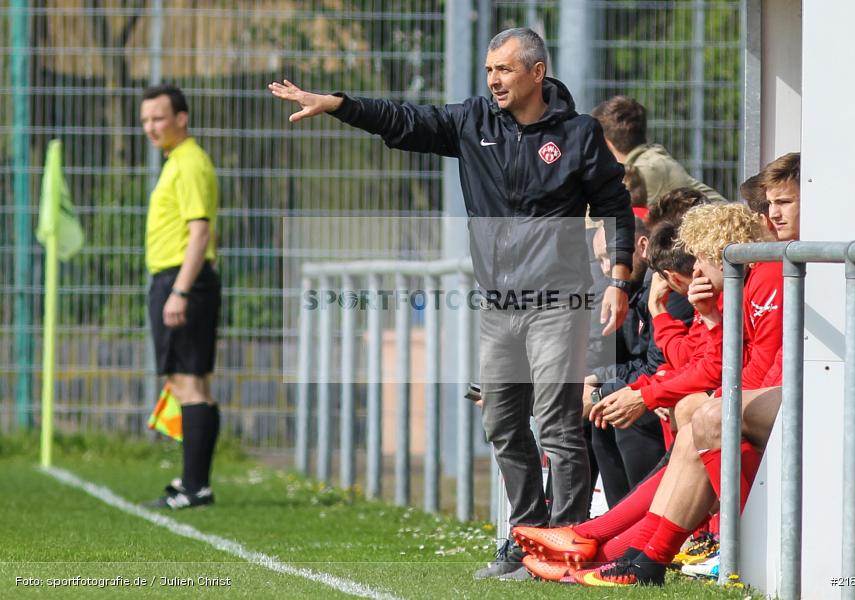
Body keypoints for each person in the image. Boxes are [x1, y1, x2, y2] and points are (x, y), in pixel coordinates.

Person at [269, 27, 635, 580]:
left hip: (560, 301)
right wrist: (337, 105)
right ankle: (525, 535)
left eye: (505, 70)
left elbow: (615, 204)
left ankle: (563, 546)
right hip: (499, 306)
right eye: (489, 70)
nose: (493, 81)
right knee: (503, 423)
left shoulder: (579, 134)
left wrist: (619, 279)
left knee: (558, 426)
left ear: (537, 72)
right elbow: (404, 119)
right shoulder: (472, 122)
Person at [513, 190, 796, 586]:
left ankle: (627, 546)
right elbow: (701, 361)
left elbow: (728, 368)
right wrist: (705, 322)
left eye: (700, 257)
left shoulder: (763, 276)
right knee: (691, 414)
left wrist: (649, 383)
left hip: (792, 403)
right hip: (758, 396)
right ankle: (613, 553)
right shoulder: (727, 287)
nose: (695, 268)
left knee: (703, 413)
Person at [140, 85, 222, 510]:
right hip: (182, 280)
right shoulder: (179, 161)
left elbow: (199, 233)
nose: (151, 128)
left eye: (158, 118)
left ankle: (194, 488)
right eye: (146, 121)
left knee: (189, 383)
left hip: (182, 281)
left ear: (181, 118)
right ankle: (196, 483)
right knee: (194, 383)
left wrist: (180, 290)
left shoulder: (189, 163)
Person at [584, 217, 692, 507]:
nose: (607, 269)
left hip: (681, 389)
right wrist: (595, 380)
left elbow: (658, 365)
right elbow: (612, 356)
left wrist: (599, 387)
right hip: (656, 384)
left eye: (612, 256)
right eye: (601, 260)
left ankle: (636, 532)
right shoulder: (626, 290)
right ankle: (599, 528)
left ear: (642, 245)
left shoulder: (665, 287)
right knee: (594, 413)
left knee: (619, 413)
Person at [592, 96, 726, 206]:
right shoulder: (647, 162)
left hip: (724, 234)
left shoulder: (647, 170)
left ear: (605, 141)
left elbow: (608, 222)